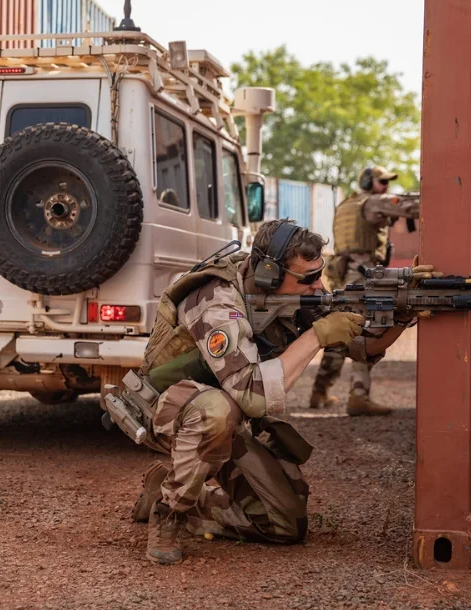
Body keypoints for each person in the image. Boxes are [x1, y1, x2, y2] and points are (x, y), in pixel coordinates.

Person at [129, 219, 431, 564]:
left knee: (284, 525)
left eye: (319, 274)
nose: (318, 286)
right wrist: (315, 336)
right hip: (167, 409)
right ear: (268, 275)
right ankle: (168, 514)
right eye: (307, 279)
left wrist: (402, 312)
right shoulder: (216, 299)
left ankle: (175, 495)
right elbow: (251, 395)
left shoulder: (294, 296)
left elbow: (361, 349)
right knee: (216, 410)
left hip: (230, 417)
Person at [310, 166, 420, 415]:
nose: (386, 187)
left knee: (341, 332)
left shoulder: (347, 205)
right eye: (382, 182)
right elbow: (408, 207)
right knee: (365, 331)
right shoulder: (372, 203)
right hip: (362, 278)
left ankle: (319, 391)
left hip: (343, 275)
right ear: (369, 182)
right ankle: (358, 397)